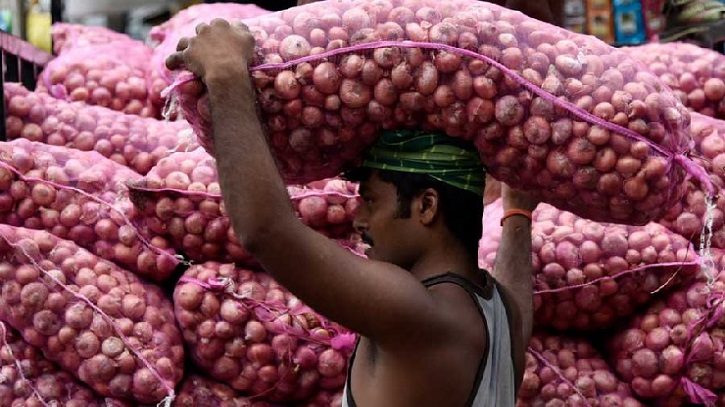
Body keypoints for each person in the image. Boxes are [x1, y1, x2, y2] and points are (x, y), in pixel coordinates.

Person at [166, 4, 549, 405]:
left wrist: (226, 75)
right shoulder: (503, 314)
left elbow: (267, 231)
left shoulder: (416, 311)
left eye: (370, 199)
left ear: (426, 206)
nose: (359, 217)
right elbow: (516, 290)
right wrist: (518, 213)